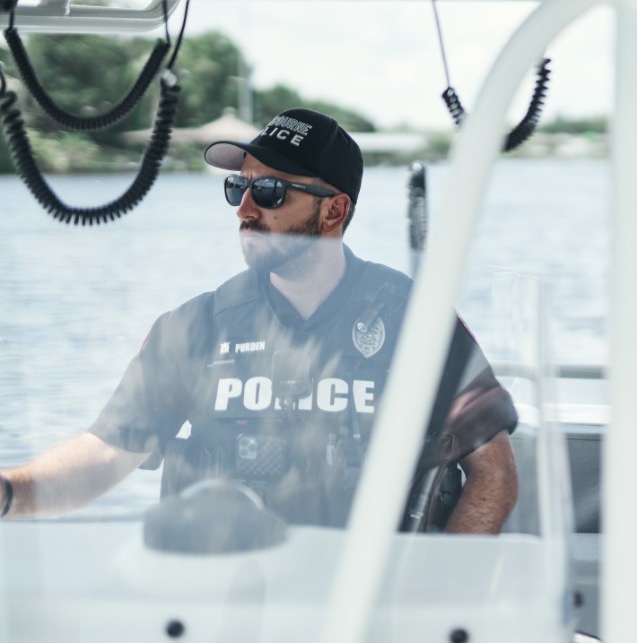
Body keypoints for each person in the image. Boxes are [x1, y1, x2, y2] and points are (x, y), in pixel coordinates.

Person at [0, 108, 517, 534]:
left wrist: (432, 601)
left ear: (334, 211)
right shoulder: (193, 328)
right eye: (238, 188)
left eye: (269, 192)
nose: (245, 209)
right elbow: (107, 453)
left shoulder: (414, 319)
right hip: (229, 618)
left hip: (366, 621)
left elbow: (494, 472)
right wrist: (9, 492)